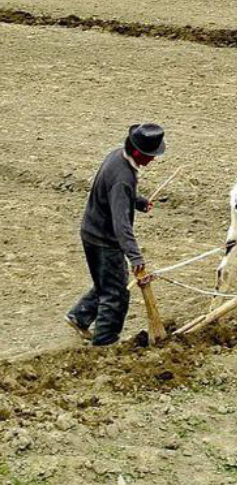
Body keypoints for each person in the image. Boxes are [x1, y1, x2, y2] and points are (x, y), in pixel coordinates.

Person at [66, 123, 166, 346]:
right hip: (105, 240)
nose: (153, 159)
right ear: (138, 153)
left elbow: (113, 192)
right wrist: (135, 256)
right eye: (151, 155)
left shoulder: (117, 157)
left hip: (91, 232)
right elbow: (121, 224)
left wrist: (138, 201)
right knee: (116, 294)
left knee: (107, 281)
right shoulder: (124, 178)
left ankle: (79, 316)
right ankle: (104, 343)